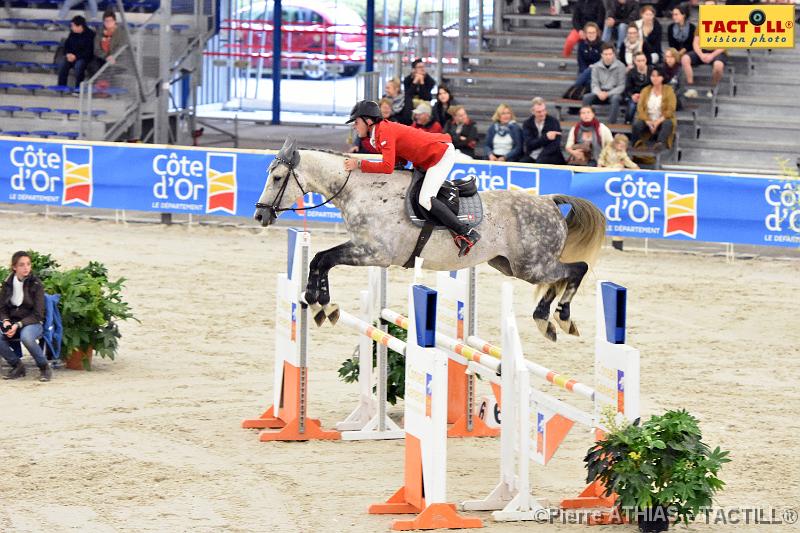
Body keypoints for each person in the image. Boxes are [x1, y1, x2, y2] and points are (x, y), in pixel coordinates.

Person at [343, 100, 481, 256]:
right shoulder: (378, 134)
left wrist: (360, 164)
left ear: (368, 121)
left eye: (356, 122)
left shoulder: (383, 132)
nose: (354, 126)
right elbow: (399, 161)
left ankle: (467, 232)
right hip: (427, 157)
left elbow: (387, 167)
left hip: (439, 154)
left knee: (426, 199)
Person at [0, 251, 51, 382]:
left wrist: (18, 325)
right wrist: (6, 321)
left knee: (26, 337)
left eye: (28, 264)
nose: (26, 268)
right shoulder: (7, 284)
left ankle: (44, 367)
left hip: (32, 323)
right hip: (13, 322)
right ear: (14, 267)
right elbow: (2, 308)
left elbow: (39, 314)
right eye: (22, 265)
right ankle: (17, 366)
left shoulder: (36, 284)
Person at [681, 2, 727, 99]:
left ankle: (713, 88)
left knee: (718, 65)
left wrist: (712, 55)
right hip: (702, 51)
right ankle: (691, 88)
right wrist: (701, 54)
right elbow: (695, 43)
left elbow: (724, 45)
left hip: (717, 51)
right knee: (685, 58)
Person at [631, 66, 677, 151]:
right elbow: (640, 109)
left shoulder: (669, 90)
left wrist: (657, 122)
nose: (655, 78)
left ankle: (660, 145)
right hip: (647, 119)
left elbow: (671, 109)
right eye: (653, 76)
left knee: (668, 123)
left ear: (662, 77)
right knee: (637, 124)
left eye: (658, 76)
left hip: (662, 119)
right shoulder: (645, 90)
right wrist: (648, 122)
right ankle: (636, 145)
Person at [583, 43, 627, 124]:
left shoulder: (621, 66)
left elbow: (621, 86)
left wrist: (608, 93)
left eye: (610, 54)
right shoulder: (596, 66)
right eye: (605, 54)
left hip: (614, 92)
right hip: (600, 92)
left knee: (615, 98)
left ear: (614, 54)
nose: (608, 56)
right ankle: (589, 122)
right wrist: (599, 93)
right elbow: (594, 84)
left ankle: (611, 124)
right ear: (601, 55)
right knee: (586, 97)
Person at [521, 97, 566, 165]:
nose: (542, 114)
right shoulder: (527, 123)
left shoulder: (553, 122)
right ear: (533, 112)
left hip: (551, 155)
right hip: (532, 154)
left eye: (544, 110)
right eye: (539, 112)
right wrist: (546, 137)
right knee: (521, 164)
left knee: (541, 162)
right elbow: (529, 144)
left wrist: (541, 156)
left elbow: (555, 145)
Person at [57, 15, 95, 91]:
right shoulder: (72, 33)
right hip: (71, 56)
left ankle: (78, 89)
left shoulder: (90, 34)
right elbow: (67, 45)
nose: (72, 27)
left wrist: (76, 57)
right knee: (63, 63)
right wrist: (68, 54)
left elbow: (89, 51)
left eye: (73, 26)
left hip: (84, 58)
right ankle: (61, 87)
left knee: (79, 65)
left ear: (80, 26)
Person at [624, 52, 652, 123]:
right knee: (631, 107)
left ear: (646, 60)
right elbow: (628, 88)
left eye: (643, 60)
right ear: (635, 61)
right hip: (636, 95)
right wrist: (632, 95)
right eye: (638, 61)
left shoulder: (652, 71)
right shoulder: (631, 72)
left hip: (649, 95)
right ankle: (628, 122)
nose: (641, 63)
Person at [575, 22, 603, 91]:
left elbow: (602, 62)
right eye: (589, 33)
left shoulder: (602, 45)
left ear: (597, 33)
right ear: (586, 34)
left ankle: (575, 87)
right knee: (588, 81)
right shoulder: (581, 45)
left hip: (599, 72)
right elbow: (580, 61)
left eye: (593, 33)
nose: (591, 35)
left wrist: (593, 67)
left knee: (589, 77)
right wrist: (587, 70)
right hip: (584, 72)